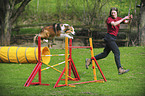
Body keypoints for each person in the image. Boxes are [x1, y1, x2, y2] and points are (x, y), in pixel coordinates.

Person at [85, 7, 133, 75]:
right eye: (112, 13)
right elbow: (114, 24)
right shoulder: (109, 19)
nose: (113, 14)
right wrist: (124, 18)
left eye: (114, 12)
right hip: (109, 38)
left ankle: (90, 60)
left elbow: (127, 22)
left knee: (104, 54)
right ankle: (120, 69)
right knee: (117, 52)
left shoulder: (119, 18)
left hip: (112, 38)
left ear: (117, 12)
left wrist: (130, 19)